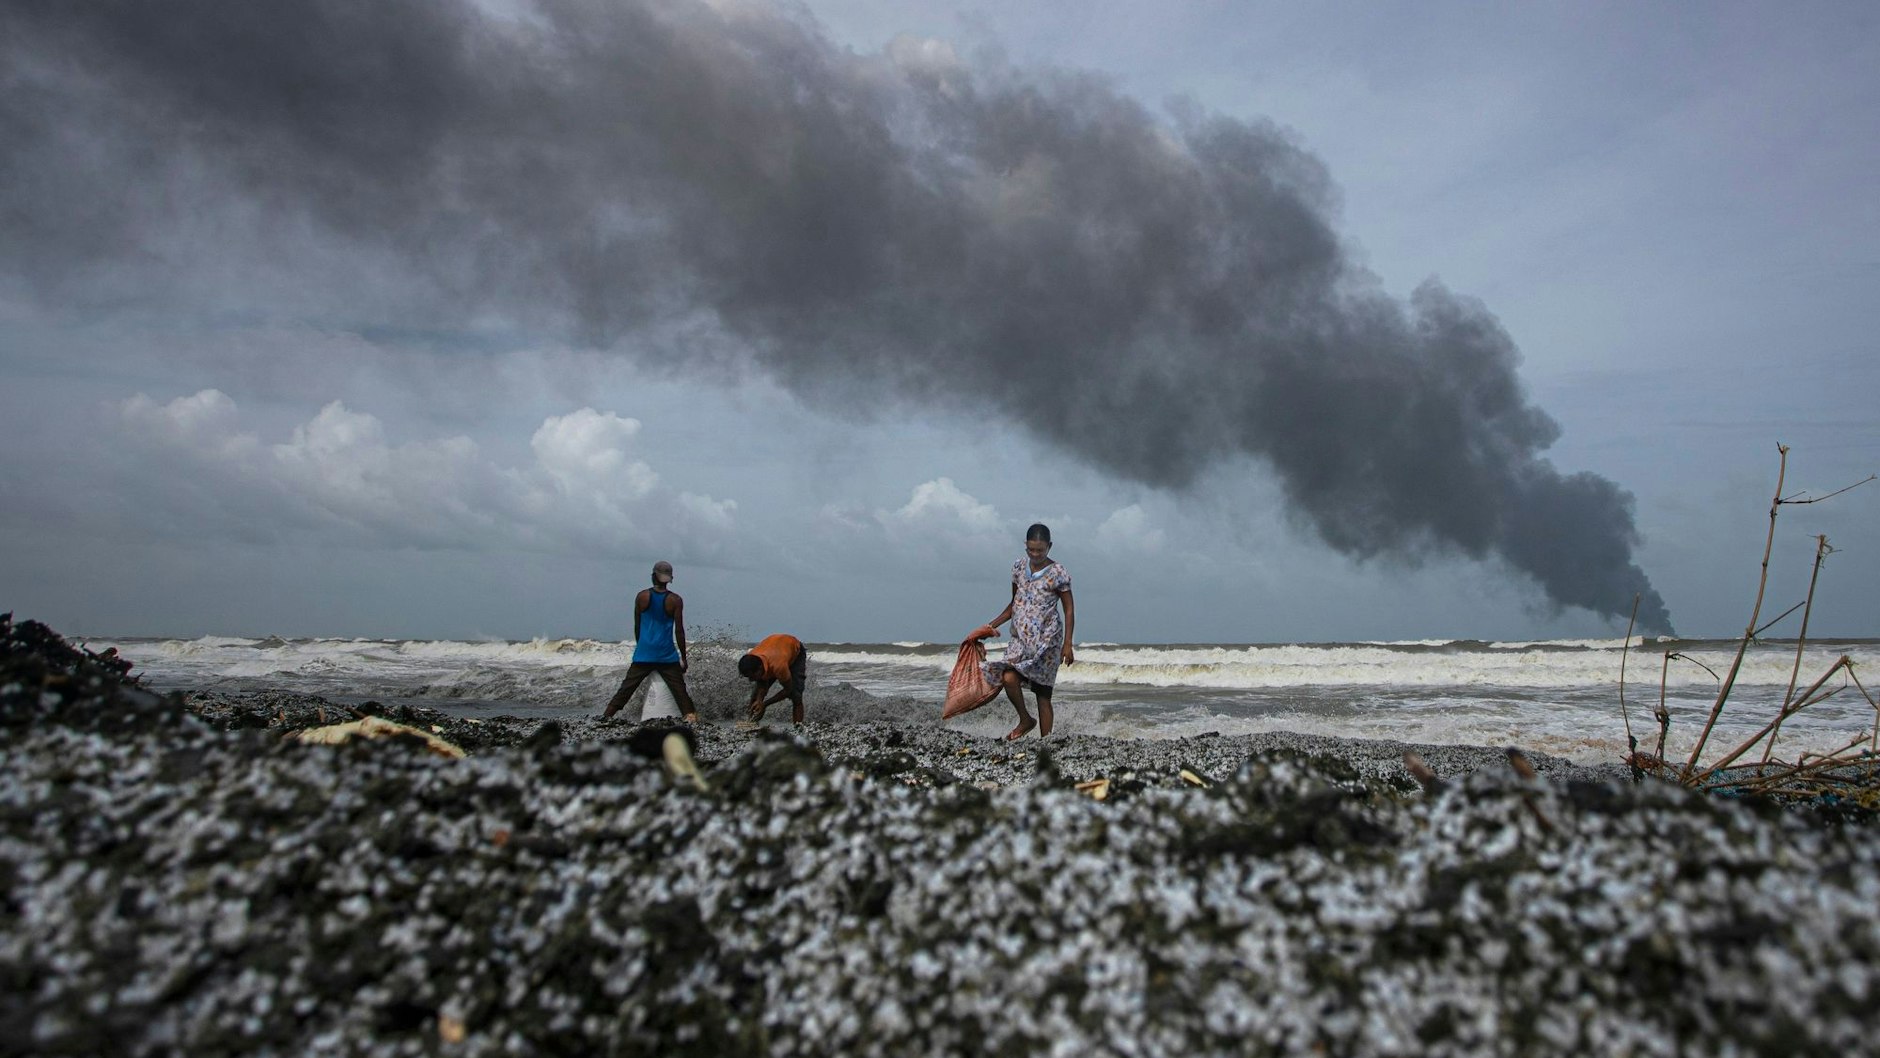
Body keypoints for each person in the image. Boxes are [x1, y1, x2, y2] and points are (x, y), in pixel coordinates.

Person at [980, 523, 1075, 740]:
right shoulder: (1018, 567)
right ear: (1026, 546)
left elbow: (1069, 609)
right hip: (1021, 639)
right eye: (1031, 549)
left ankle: (1046, 743)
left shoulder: (1058, 572)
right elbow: (1015, 603)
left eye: (1040, 550)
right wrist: (991, 625)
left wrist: (1067, 644)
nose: (1035, 554)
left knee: (1043, 694)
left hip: (1047, 641)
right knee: (1008, 677)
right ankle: (1025, 719)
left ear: (1049, 547)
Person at [601, 560, 697, 723]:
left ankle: (605, 717)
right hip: (666, 655)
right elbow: (679, 631)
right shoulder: (675, 600)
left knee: (626, 689)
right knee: (681, 692)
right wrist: (683, 658)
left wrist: (641, 647)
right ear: (669, 579)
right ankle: (691, 719)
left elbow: (637, 626)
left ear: (654, 576)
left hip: (644, 654)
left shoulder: (642, 596)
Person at [738, 633, 809, 725]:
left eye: (752, 676)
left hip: (795, 653)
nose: (751, 680)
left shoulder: (779, 666)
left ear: (760, 668)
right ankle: (751, 723)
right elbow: (762, 683)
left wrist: (765, 704)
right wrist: (759, 700)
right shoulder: (752, 657)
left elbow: (788, 690)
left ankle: (798, 728)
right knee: (755, 696)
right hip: (773, 648)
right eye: (748, 677)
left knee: (796, 695)